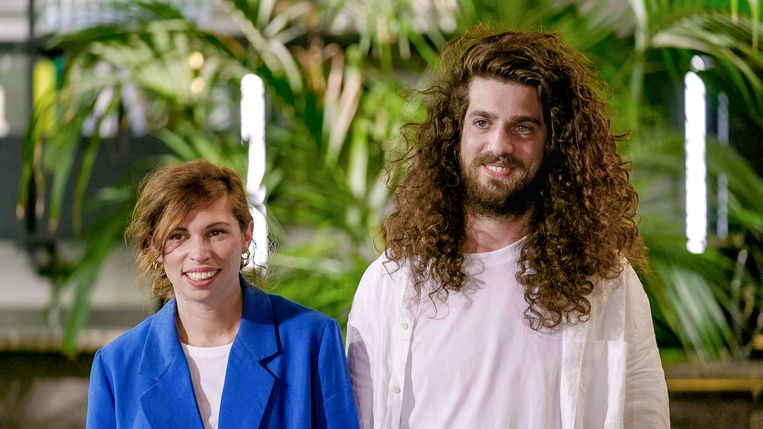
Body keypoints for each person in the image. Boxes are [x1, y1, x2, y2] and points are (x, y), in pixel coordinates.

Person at [346, 29, 670, 428]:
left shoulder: (605, 283)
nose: (500, 145)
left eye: (523, 127)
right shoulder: (390, 283)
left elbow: (645, 416)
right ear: (455, 134)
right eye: (482, 122)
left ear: (553, 142)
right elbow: (357, 417)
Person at [86, 160, 359, 429]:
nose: (199, 253)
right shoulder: (116, 366)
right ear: (153, 247)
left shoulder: (311, 341)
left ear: (246, 234)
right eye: (177, 236)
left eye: (216, 232)